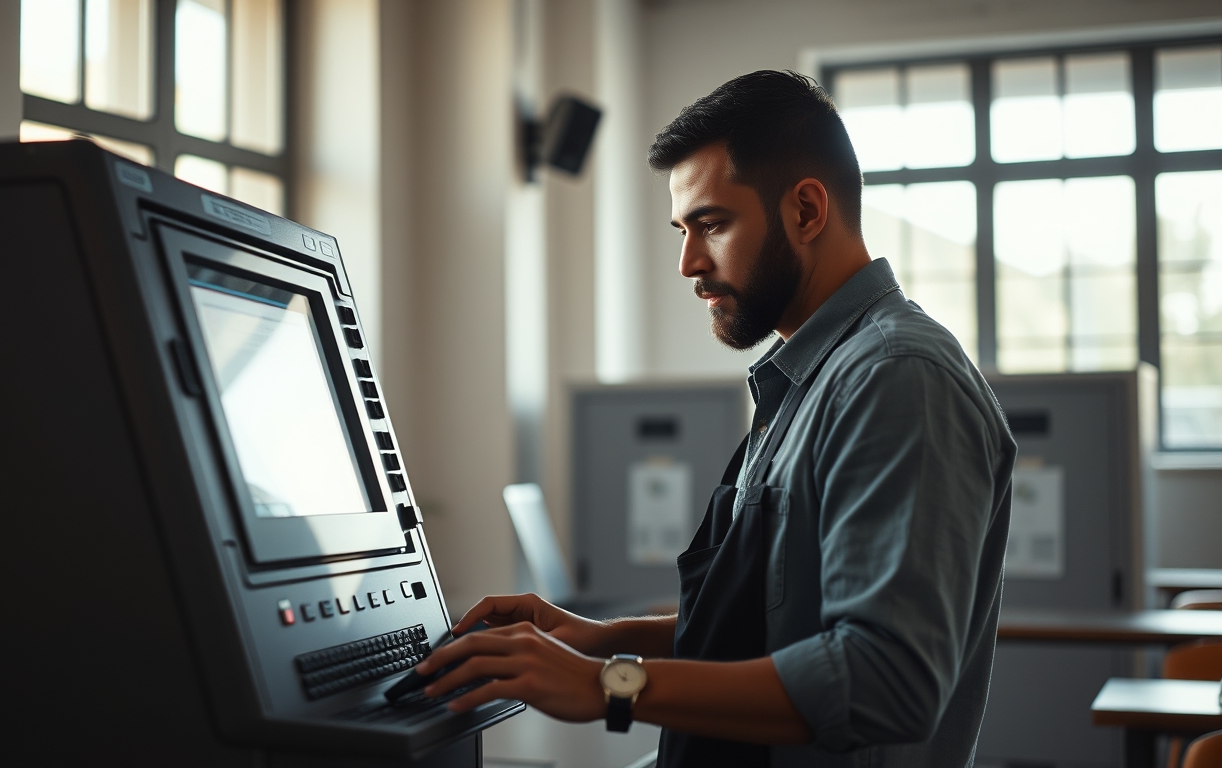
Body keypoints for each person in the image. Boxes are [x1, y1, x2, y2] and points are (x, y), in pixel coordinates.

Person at [416, 70, 1016, 767]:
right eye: (682, 229)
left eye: (712, 224)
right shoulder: (808, 381)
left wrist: (609, 685)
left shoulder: (896, 378)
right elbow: (771, 626)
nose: (688, 262)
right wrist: (596, 639)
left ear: (807, 211)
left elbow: (883, 680)